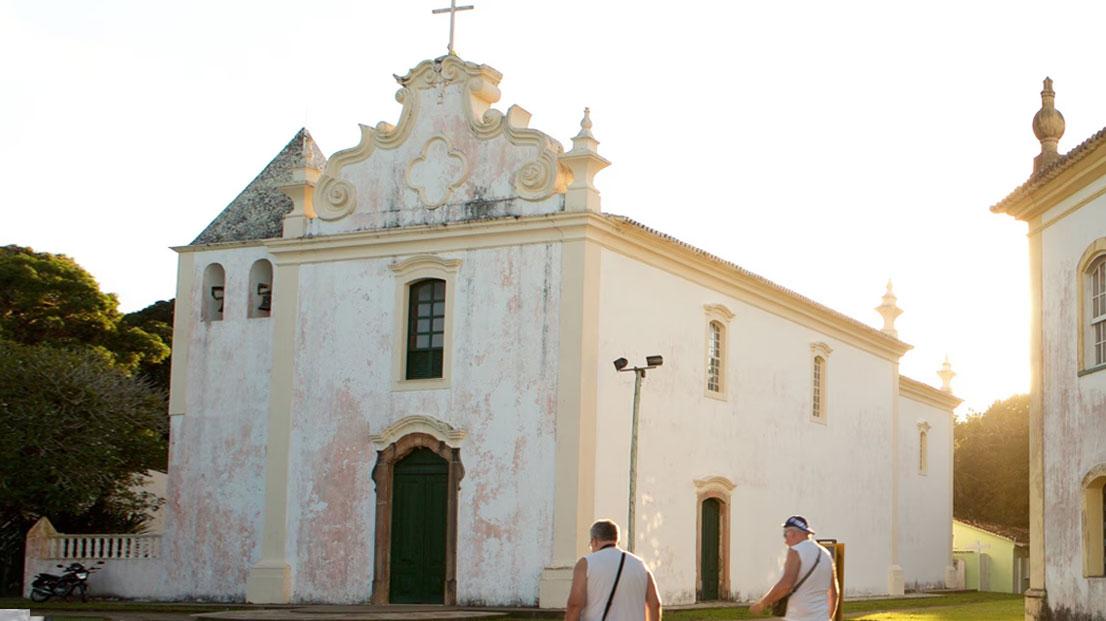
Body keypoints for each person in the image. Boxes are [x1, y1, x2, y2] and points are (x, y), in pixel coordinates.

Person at [565, 519, 662, 621]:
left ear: (594, 541)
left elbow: (575, 604)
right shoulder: (640, 565)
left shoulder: (586, 564)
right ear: (617, 540)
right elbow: (655, 604)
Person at [750, 515, 839, 621]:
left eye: (785, 534)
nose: (785, 540)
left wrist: (762, 603)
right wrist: (828, 617)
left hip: (797, 617)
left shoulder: (796, 551)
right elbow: (834, 593)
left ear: (791, 533)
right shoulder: (826, 554)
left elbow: (786, 585)